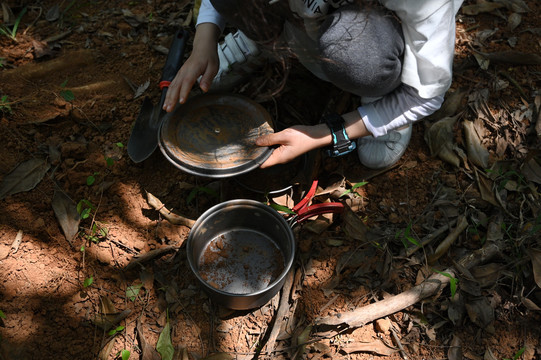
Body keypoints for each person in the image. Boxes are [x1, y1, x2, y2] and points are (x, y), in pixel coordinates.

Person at [162, 0, 464, 169]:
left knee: (355, 56)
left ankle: (382, 89)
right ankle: (265, 40)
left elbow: (427, 93)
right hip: (308, 15)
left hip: (378, 24)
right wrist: (205, 40)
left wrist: (329, 132)